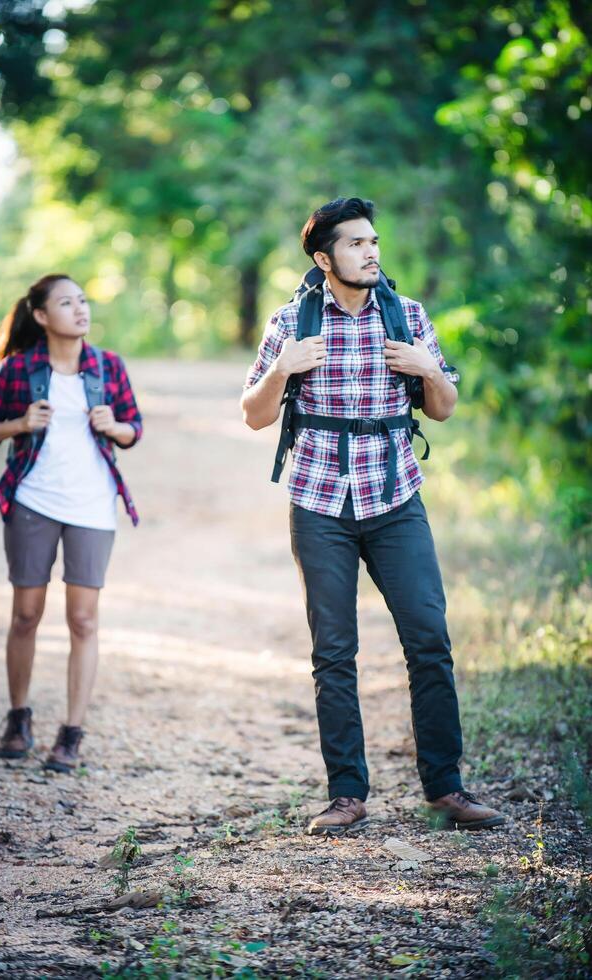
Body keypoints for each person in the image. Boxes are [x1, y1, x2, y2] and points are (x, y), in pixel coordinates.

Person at [241, 198, 505, 834]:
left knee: (429, 639)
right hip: (319, 503)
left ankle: (446, 789)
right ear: (323, 257)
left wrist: (426, 369)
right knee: (334, 652)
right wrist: (281, 368)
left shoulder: (406, 316)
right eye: (356, 244)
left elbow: (442, 408)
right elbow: (253, 414)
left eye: (374, 241)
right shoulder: (291, 321)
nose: (371, 252)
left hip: (395, 501)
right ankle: (347, 794)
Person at [0, 273, 142, 773]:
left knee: (83, 620)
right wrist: (20, 424)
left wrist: (117, 428)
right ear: (41, 316)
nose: (80, 309)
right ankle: (18, 717)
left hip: (92, 505)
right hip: (34, 502)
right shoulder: (19, 370)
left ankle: (71, 732)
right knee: (26, 614)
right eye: (66, 303)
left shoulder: (109, 367)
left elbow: (135, 429)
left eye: (82, 300)